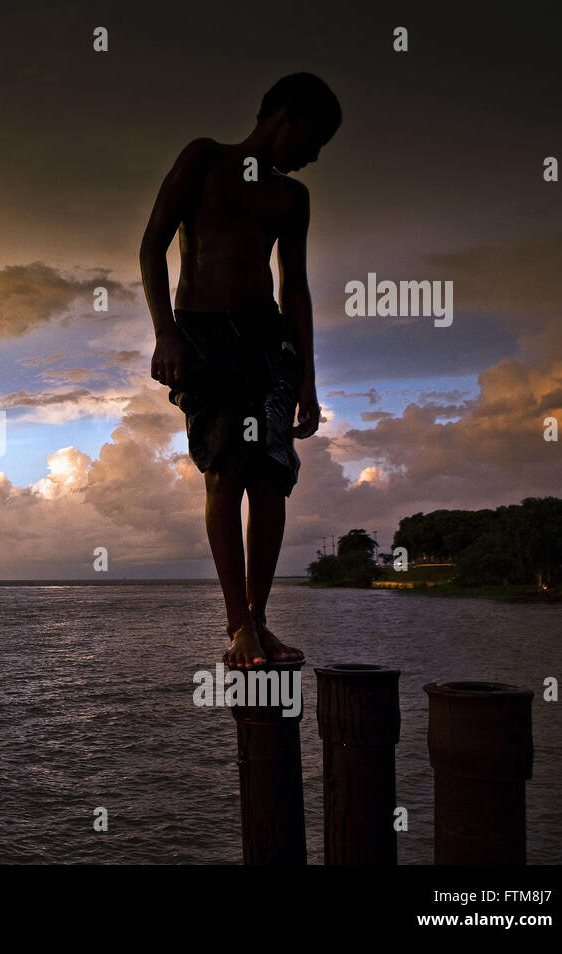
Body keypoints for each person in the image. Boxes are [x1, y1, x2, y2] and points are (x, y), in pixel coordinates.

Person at [139, 73, 341, 669]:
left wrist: (306, 377)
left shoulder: (290, 199)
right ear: (285, 115)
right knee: (224, 472)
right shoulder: (205, 158)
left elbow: (295, 288)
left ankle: (258, 620)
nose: (313, 156)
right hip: (202, 335)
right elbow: (152, 244)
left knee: (272, 478)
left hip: (265, 338)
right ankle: (237, 628)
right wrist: (165, 333)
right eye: (313, 139)